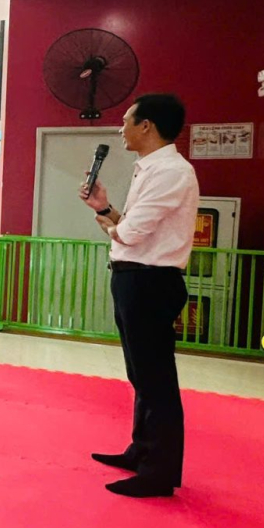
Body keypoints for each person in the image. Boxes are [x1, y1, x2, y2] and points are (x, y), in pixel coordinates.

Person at [81, 94, 199, 498]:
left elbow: (131, 233)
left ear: (146, 125)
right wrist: (105, 209)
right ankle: (141, 450)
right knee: (141, 375)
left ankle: (159, 472)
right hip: (135, 278)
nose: (121, 129)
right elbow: (129, 226)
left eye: (126, 121)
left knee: (155, 379)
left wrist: (114, 227)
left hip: (151, 282)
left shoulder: (171, 172)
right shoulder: (151, 168)